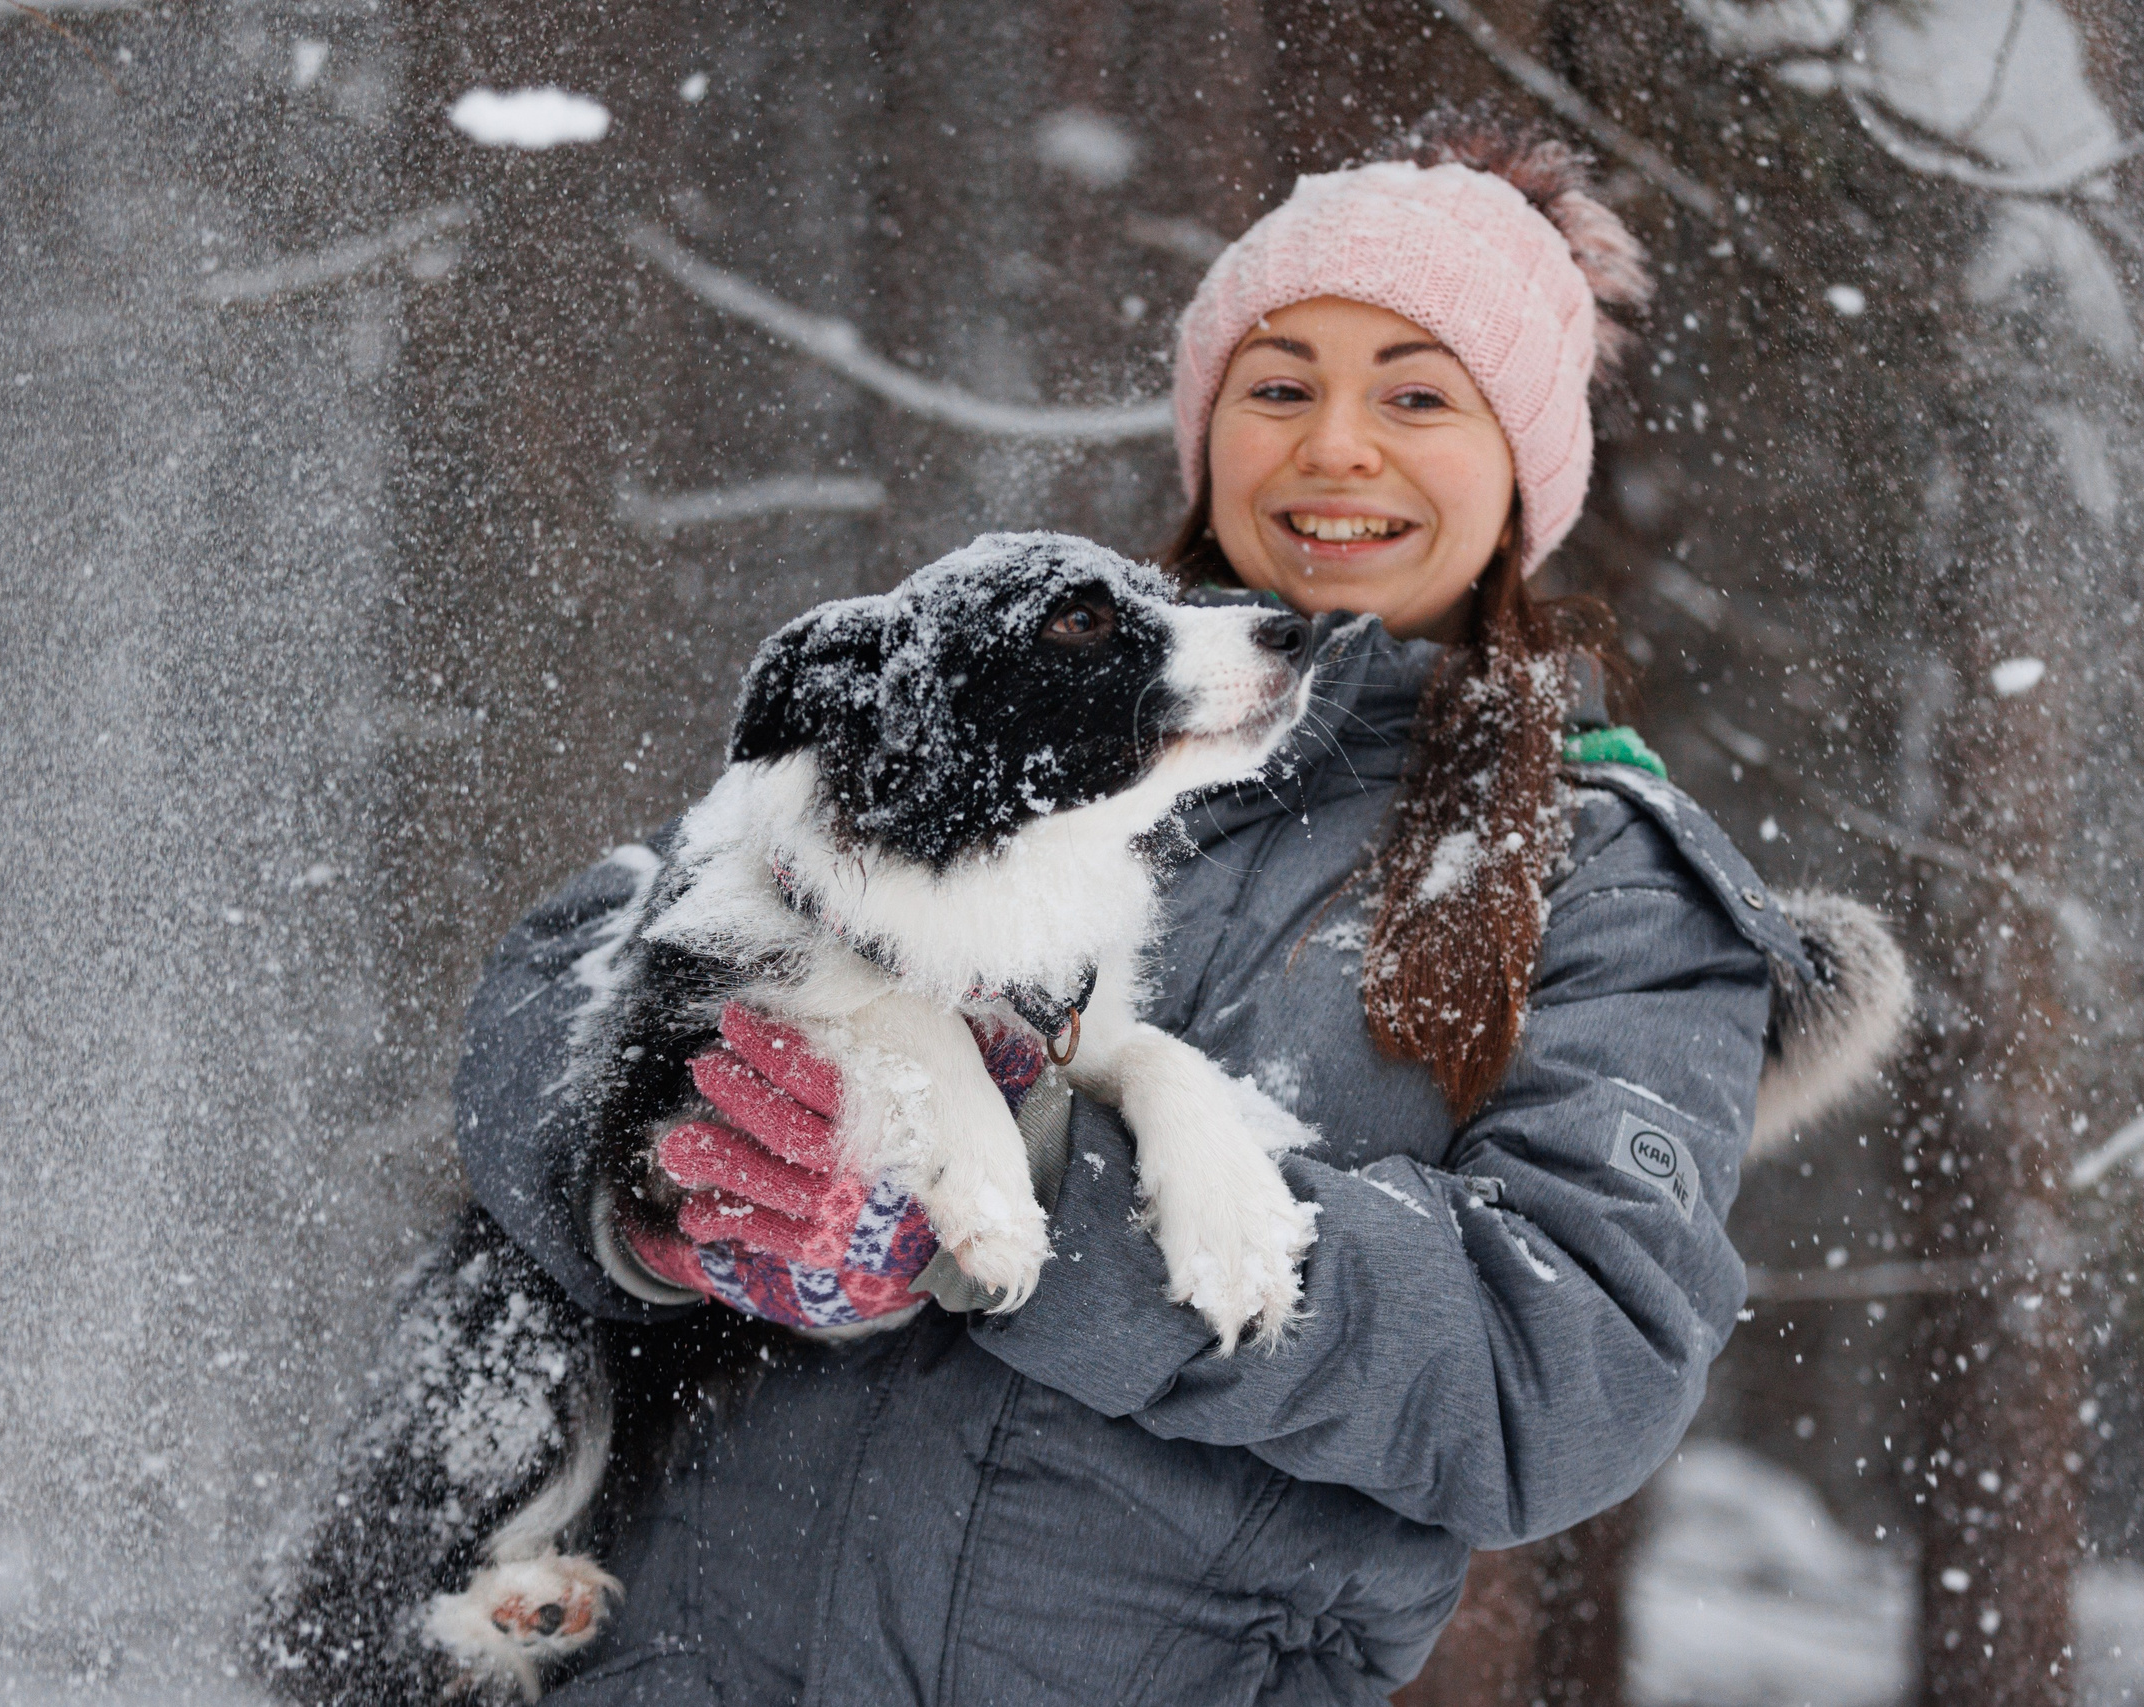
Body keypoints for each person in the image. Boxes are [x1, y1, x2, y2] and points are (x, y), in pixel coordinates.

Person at [453, 119, 1895, 1706]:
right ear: (1211, 431)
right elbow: (559, 982)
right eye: (1279, 388)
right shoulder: (1016, 692)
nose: (1338, 446)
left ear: (1524, 465)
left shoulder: (1612, 881)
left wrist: (1049, 1204)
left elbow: (1562, 1377)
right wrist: (653, 1202)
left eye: (1418, 394)